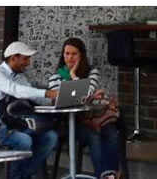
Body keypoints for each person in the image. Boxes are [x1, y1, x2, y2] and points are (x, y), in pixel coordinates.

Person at [0, 41, 60, 179]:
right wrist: (48, 93)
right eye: (25, 59)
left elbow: (34, 97)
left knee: (50, 137)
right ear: (13, 58)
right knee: (24, 140)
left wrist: (57, 100)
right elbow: (16, 90)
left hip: (14, 126)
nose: (28, 63)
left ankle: (21, 175)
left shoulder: (19, 77)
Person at [48, 37, 122, 179]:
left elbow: (85, 94)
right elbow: (66, 99)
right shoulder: (55, 77)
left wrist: (75, 79)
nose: (70, 57)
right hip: (70, 122)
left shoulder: (92, 72)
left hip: (93, 117)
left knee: (112, 132)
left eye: (74, 54)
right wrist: (73, 76)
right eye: (67, 53)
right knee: (93, 136)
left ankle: (111, 174)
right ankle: (101, 175)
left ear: (81, 55)